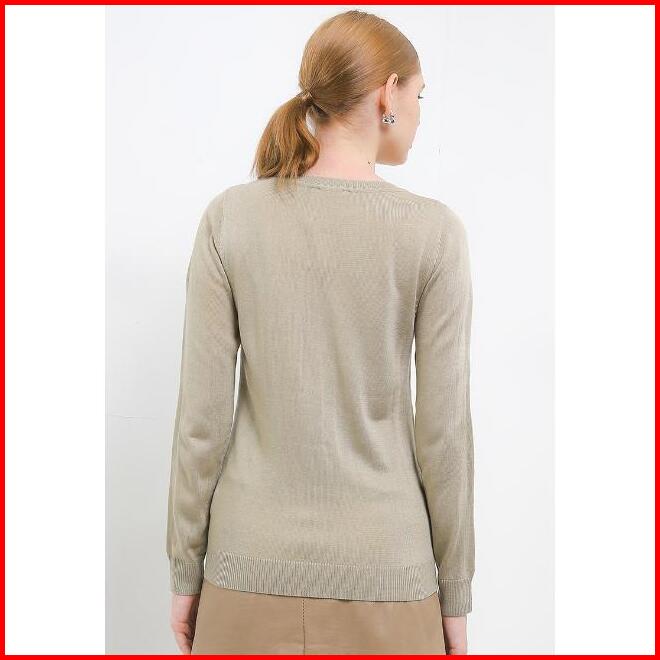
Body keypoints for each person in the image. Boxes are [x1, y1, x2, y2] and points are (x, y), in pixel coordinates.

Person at [166, 8, 475, 655]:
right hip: (390, 582)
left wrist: (185, 572)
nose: (419, 115)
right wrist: (454, 593)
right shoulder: (432, 233)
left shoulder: (230, 219)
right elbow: (443, 433)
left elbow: (201, 421)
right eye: (419, 96)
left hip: (245, 574)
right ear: (388, 93)